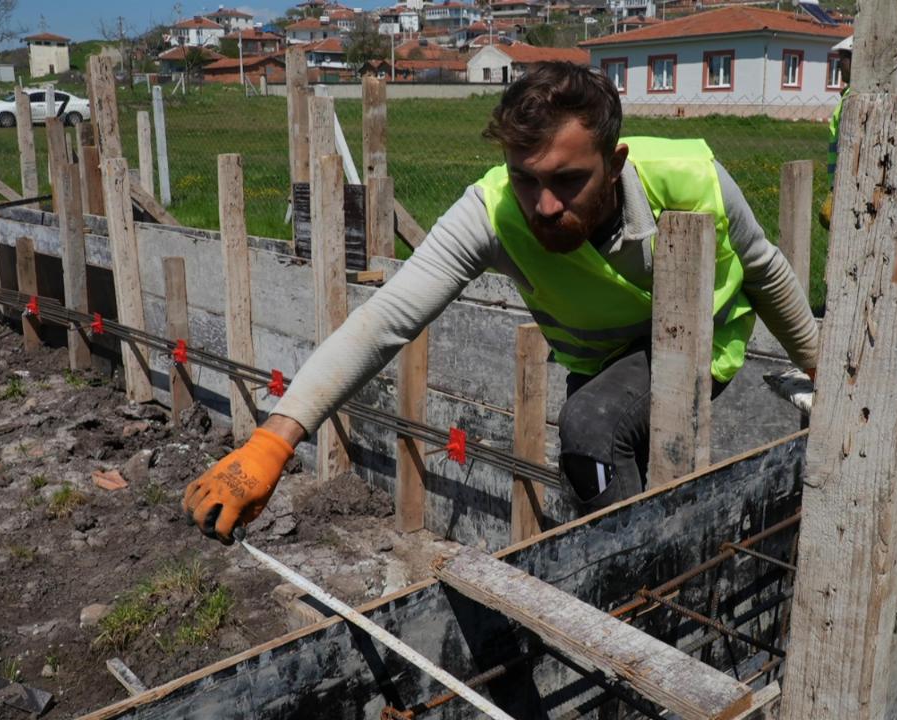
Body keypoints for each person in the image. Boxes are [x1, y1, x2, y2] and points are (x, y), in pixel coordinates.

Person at [182, 62, 819, 544]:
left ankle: (636, 579)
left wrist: (821, 368)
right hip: (599, 356)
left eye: (568, 181)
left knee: (591, 428)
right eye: (526, 179)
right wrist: (274, 440)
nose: (543, 206)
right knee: (588, 462)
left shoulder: (690, 180)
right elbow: (385, 319)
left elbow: (764, 270)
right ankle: (626, 555)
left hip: (699, 341)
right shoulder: (490, 212)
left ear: (615, 161)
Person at [820, 36, 853, 229]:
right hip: (840, 184)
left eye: (844, 58)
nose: (839, 64)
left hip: (847, 184)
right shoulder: (847, 96)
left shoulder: (854, 99)